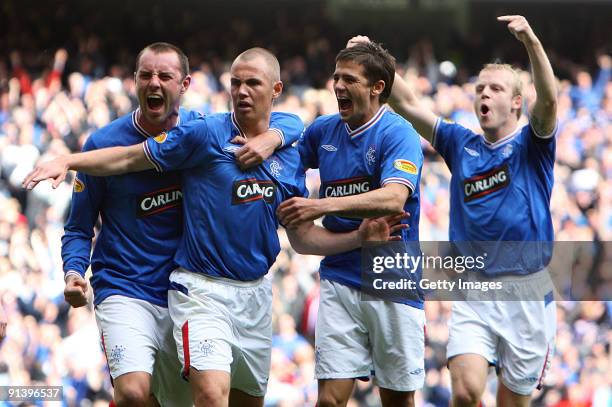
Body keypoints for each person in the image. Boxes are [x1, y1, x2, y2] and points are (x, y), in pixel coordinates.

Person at [23, 47, 403, 407]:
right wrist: (70, 160)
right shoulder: (203, 134)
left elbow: (301, 236)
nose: (241, 91)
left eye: (252, 83)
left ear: (276, 90)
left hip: (253, 295)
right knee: (167, 394)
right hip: (191, 289)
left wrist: (357, 236)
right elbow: (126, 160)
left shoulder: (287, 155)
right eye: (234, 83)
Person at [54, 42, 304, 407]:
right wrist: (74, 272)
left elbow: (277, 118)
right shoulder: (102, 146)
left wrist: (274, 136)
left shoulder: (199, 131)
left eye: (165, 76)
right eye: (145, 75)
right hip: (128, 287)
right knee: (134, 393)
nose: (154, 83)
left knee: (174, 400)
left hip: (179, 288)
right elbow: (79, 226)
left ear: (184, 85)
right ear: (134, 81)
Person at [350, 15, 558, 406]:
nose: (484, 94)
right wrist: (372, 58)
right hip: (474, 288)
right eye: (480, 88)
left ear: (516, 102)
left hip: (527, 292)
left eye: (495, 88)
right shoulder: (461, 145)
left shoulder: (534, 145)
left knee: (512, 402)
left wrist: (531, 40)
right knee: (464, 392)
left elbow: (548, 100)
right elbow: (409, 103)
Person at [277, 42, 425, 407]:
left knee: (397, 400)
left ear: (377, 87)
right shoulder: (323, 131)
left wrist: (320, 204)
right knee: (328, 400)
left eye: (350, 79)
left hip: (393, 279)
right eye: (336, 77)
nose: (338, 86)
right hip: (340, 277)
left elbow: (393, 198)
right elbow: (288, 149)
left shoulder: (398, 133)